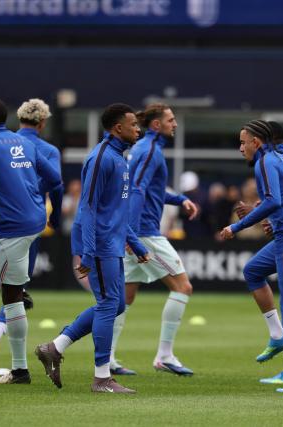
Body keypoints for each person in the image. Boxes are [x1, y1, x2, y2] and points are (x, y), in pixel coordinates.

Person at [35, 103, 150, 394]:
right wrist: (87, 251)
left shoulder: (119, 157)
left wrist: (135, 243)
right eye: (133, 124)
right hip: (98, 243)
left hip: (110, 241)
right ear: (117, 128)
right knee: (110, 304)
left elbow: (115, 211)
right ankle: (101, 378)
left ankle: (55, 347)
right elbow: (88, 207)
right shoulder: (100, 157)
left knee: (116, 304)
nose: (138, 129)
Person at [0, 98, 63, 376]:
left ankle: (19, 371)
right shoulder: (27, 144)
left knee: (11, 296)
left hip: (14, 228)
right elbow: (55, 181)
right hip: (35, 219)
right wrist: (56, 217)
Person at [220, 119, 283, 394]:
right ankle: (278, 336)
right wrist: (266, 215)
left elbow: (275, 201)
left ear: (258, 142)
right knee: (253, 271)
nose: (240, 148)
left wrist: (237, 226)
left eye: (243, 142)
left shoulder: (266, 162)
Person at [109, 103, 198, 377]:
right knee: (182, 287)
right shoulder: (149, 150)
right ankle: (165, 355)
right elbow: (135, 189)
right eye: (171, 120)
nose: (175, 124)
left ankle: (108, 358)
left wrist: (180, 199)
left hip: (136, 230)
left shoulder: (145, 150)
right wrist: (131, 233)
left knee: (124, 297)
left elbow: (151, 191)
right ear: (156, 125)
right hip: (144, 233)